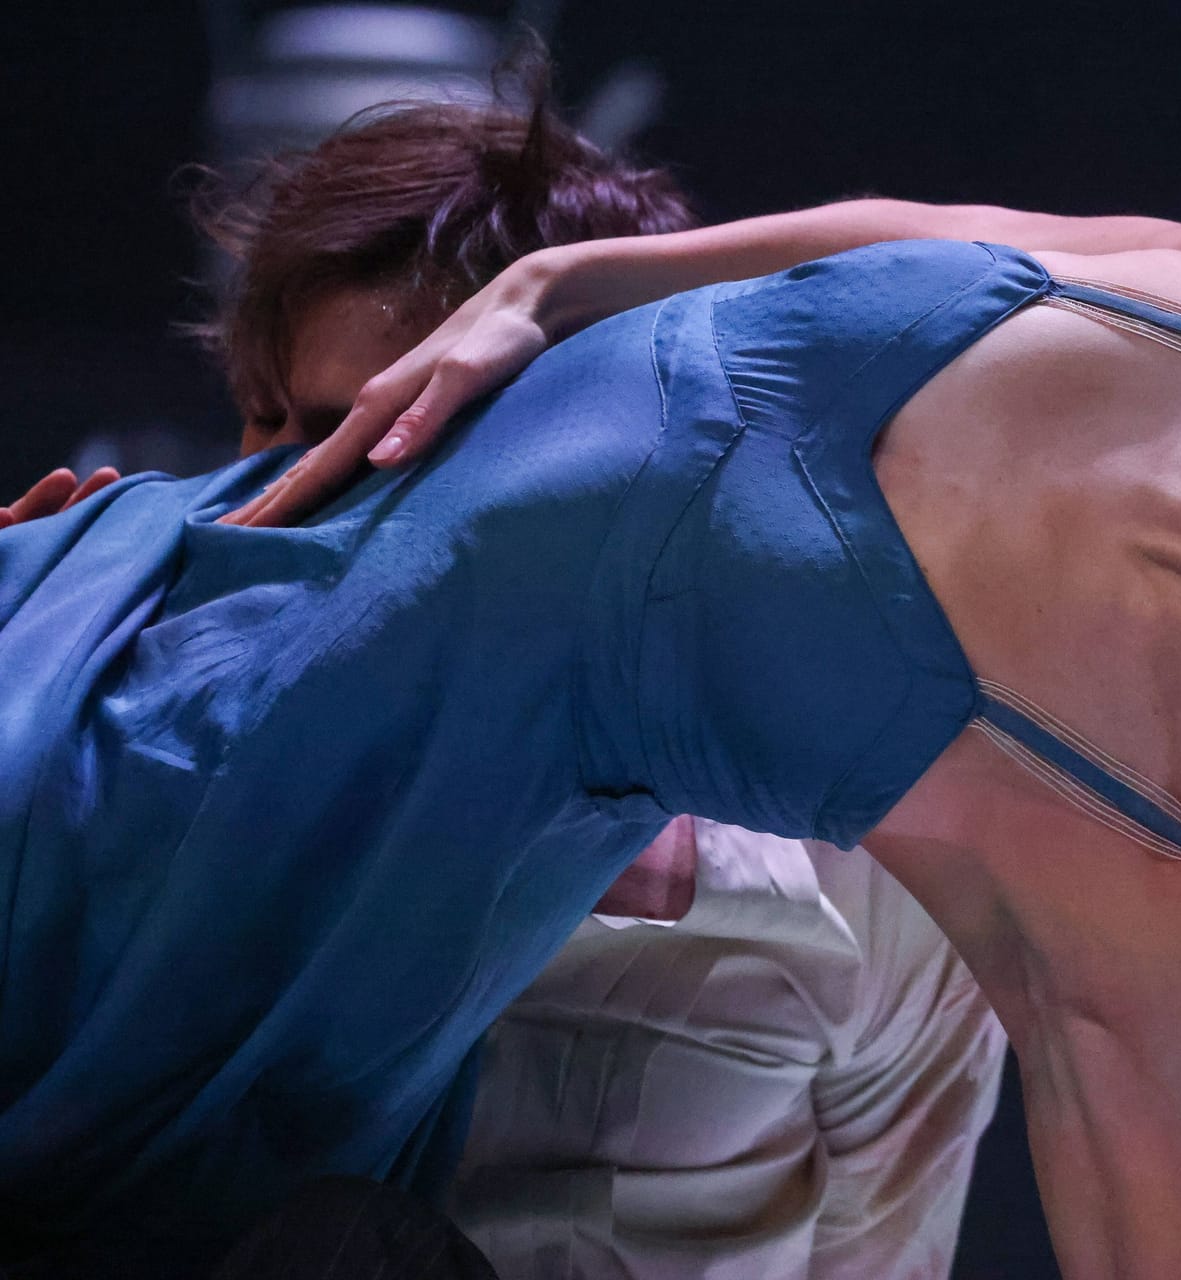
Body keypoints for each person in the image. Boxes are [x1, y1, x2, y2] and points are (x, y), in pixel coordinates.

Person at [0, 183, 1181, 1277]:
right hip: (151, 586)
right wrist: (555, 290)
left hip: (256, 917)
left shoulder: (1117, 877)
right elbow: (926, 225)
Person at [0, 94, 1006, 1279]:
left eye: (373, 447)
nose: (274, 505)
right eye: (263, 428)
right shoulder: (168, 801)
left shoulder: (876, 858)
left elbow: (885, 1245)